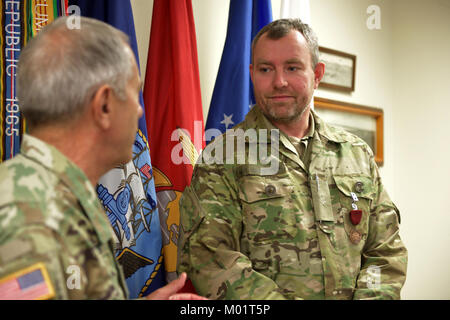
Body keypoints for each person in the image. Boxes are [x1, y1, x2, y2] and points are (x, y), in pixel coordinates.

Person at [177, 18, 408, 300]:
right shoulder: (221, 159)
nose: (279, 81)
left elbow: (385, 251)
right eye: (265, 69)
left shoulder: (355, 154)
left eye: (293, 67)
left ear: (317, 73)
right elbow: (214, 262)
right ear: (252, 74)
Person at [0, 16, 206, 300]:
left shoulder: (53, 196)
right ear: (104, 105)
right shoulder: (33, 218)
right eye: (135, 94)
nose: (139, 111)